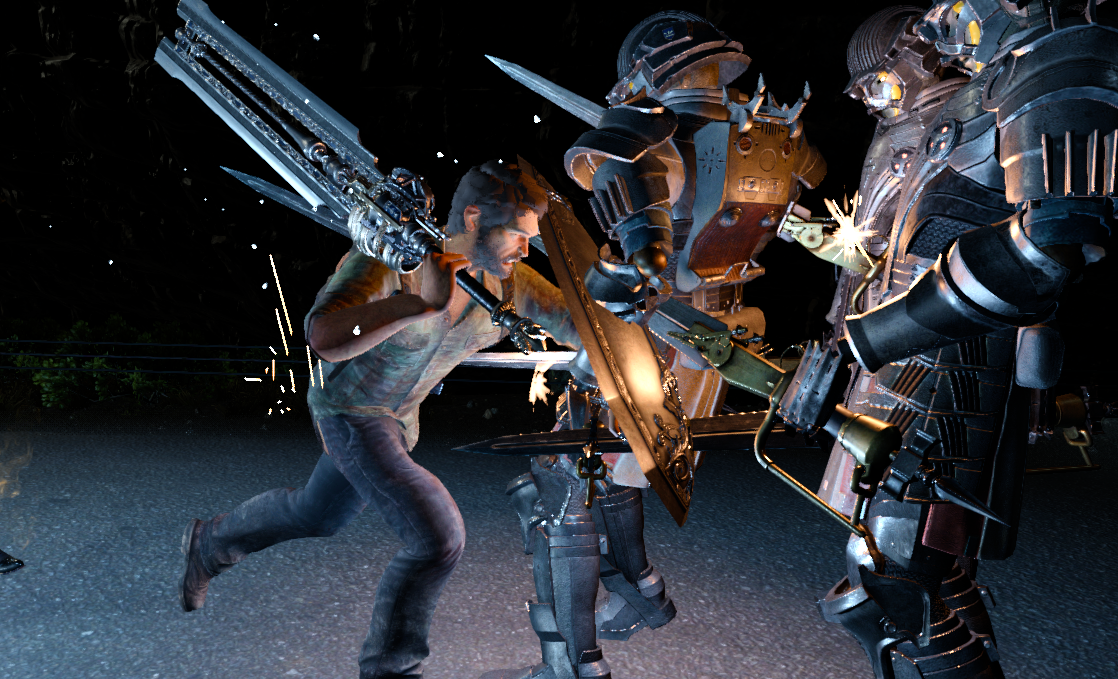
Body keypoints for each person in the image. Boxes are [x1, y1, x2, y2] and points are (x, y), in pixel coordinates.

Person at [778, 1, 1117, 676]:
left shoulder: (1038, 66)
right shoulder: (944, 113)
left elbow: (1049, 246)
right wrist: (845, 323)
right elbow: (887, 251)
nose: (942, 18)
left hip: (955, 361)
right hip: (895, 353)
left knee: (891, 570)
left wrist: (873, 336)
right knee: (920, 558)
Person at [485, 11, 826, 679]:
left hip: (655, 340)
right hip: (720, 339)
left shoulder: (649, 143)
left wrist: (607, 280)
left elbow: (639, 266)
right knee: (608, 469)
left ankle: (574, 663)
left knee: (559, 487)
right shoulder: (772, 133)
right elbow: (805, 214)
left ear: (646, 70)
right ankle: (640, 592)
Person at [177, 160, 580, 679]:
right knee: (438, 537)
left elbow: (574, 320)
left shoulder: (508, 282)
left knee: (318, 514)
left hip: (400, 422)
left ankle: (210, 544)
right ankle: (391, 670)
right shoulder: (394, 253)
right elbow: (324, 335)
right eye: (518, 236)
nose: (525, 250)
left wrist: (647, 327)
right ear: (474, 218)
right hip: (350, 412)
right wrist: (419, 303)